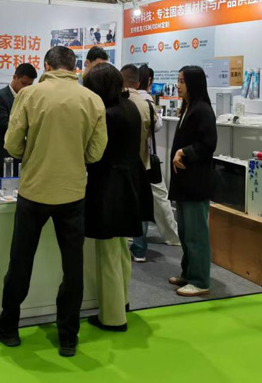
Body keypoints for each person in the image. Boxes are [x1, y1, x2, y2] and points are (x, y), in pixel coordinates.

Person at [0, 46, 107, 358]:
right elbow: (95, 153)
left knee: (20, 261)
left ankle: (8, 327)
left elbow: (12, 145)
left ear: (47, 66)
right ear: (74, 67)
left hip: (34, 191)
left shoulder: (29, 95)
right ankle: (68, 336)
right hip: (73, 192)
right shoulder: (92, 100)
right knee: (73, 267)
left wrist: (34, 152)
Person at [83, 64, 151, 332]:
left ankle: (112, 317)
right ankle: (121, 302)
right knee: (120, 248)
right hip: (129, 182)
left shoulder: (107, 114)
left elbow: (95, 153)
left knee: (108, 253)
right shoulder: (130, 107)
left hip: (109, 186)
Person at [168, 66, 217, 297]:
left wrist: (184, 152)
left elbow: (208, 145)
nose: (178, 86)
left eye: (182, 82)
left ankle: (200, 280)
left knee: (196, 234)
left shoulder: (202, 110)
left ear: (193, 84)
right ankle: (188, 272)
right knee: (186, 233)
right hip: (184, 182)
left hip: (196, 182)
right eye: (178, 81)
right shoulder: (188, 108)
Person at [122, 65, 180, 258]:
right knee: (151, 201)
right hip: (145, 160)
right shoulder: (146, 102)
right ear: (145, 81)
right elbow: (157, 126)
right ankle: (149, 243)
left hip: (123, 162)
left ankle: (131, 242)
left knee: (129, 201)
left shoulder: (118, 101)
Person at [0, 63, 37, 178]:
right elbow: (2, 124)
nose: (26, 88)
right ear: (15, 77)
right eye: (24, 83)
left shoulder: (29, 98)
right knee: (6, 186)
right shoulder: (0, 97)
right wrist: (27, 129)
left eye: (30, 85)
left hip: (21, 153)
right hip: (3, 153)